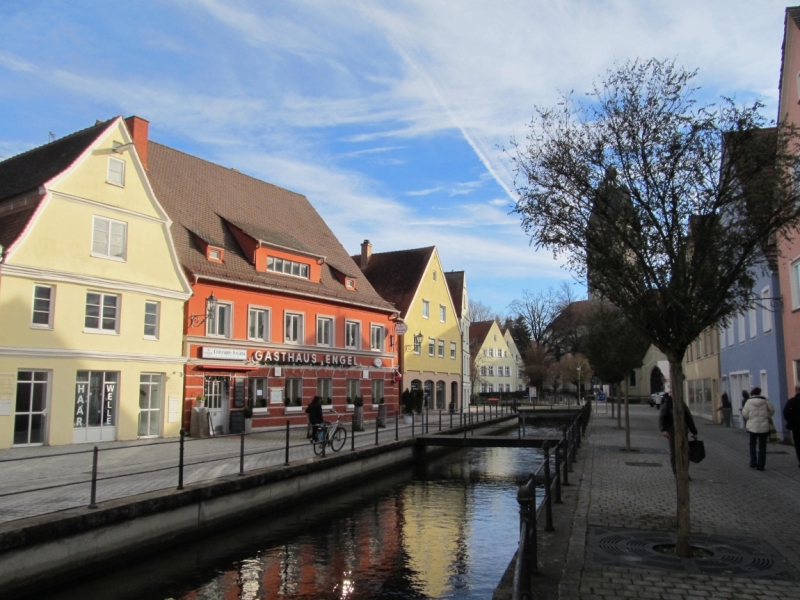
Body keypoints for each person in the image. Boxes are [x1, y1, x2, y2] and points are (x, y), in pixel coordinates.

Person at [659, 392, 698, 476]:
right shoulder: (668, 404)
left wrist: (694, 432)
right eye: (672, 393)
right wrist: (664, 430)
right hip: (671, 432)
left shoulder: (682, 404)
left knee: (685, 452)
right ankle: (676, 473)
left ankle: (684, 472)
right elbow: (662, 417)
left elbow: (688, 418)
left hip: (683, 431)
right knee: (674, 452)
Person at [741, 386, 774, 471]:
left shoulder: (748, 402)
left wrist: (750, 418)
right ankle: (761, 465)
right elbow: (772, 411)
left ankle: (753, 462)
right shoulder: (765, 401)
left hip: (752, 427)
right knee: (762, 447)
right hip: (764, 427)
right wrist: (766, 416)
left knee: (752, 444)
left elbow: (745, 414)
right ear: (759, 393)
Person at [783, 385, 800, 468]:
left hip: (796, 426)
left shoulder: (791, 401)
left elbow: (785, 413)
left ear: (796, 390)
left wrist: (791, 420)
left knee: (798, 444)